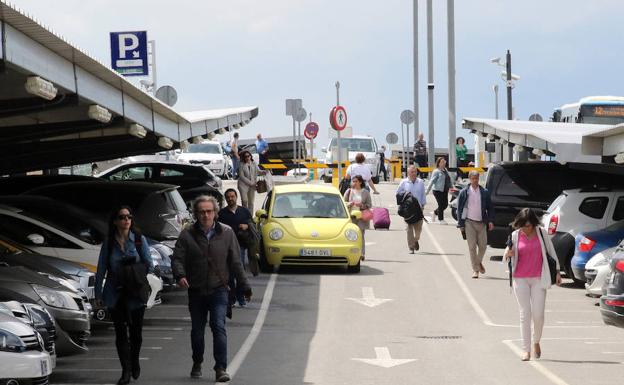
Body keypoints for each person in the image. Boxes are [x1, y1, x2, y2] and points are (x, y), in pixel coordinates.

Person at [172, 195, 252, 382]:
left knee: (218, 326)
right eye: (201, 212)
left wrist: (244, 285)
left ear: (215, 213)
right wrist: (180, 275)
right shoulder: (187, 234)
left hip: (219, 289)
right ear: (196, 214)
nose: (205, 215)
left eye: (209, 211)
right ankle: (197, 361)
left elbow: (235, 262)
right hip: (197, 290)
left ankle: (220, 368)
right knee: (197, 332)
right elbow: (177, 258)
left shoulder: (227, 233)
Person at [95, 206, 153, 385]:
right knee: (121, 334)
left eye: (129, 216)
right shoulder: (109, 242)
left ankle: (134, 361)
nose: (126, 220)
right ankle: (125, 370)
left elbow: (148, 264)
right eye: (122, 217)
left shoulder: (138, 240)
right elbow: (101, 269)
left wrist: (132, 270)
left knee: (136, 334)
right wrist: (98, 294)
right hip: (115, 292)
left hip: (135, 292)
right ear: (115, 221)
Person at [504, 208, 562, 361]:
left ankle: (536, 341)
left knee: (538, 315)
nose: (526, 229)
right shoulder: (515, 235)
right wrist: (508, 254)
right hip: (520, 278)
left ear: (534, 223)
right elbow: (507, 255)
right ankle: (526, 350)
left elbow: (551, 253)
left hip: (538, 278)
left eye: (529, 225)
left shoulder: (542, 233)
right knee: (525, 314)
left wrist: (557, 272)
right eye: (523, 225)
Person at [218, 188, 253, 307]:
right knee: (229, 275)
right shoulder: (221, 214)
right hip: (225, 248)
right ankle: (231, 299)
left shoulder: (244, 211)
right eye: (228, 197)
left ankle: (241, 298)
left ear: (236, 197)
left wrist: (247, 226)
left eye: (232, 196)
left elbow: (253, 225)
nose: (230, 199)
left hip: (240, 247)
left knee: (240, 273)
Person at [456, 170, 495, 278]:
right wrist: (461, 225)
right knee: (472, 247)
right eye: (473, 179)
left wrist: (491, 220)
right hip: (469, 222)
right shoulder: (464, 192)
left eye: (477, 178)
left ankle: (478, 262)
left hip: (482, 223)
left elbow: (490, 208)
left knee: (483, 246)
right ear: (469, 179)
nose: (475, 181)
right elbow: (459, 209)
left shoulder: (484, 192)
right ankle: (476, 270)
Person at [396, 165, 426, 253]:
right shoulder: (404, 182)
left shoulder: (420, 182)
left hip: (418, 209)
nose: (414, 174)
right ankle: (411, 247)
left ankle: (416, 240)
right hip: (408, 210)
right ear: (408, 173)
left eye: (415, 172)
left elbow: (423, 194)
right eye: (412, 172)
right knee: (409, 229)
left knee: (418, 230)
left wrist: (423, 205)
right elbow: (398, 193)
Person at [344, 175, 372, 261]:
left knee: (360, 235)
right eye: (353, 181)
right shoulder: (349, 191)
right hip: (351, 216)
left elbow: (369, 205)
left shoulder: (365, 192)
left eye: (356, 181)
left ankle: (362, 254)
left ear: (360, 182)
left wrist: (362, 205)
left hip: (362, 216)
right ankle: (351, 252)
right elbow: (343, 203)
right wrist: (350, 204)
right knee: (351, 235)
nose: (354, 183)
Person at [426, 157, 451, 224]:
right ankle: (441, 219)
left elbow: (448, 180)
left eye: (444, 161)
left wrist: (451, 187)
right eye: (442, 162)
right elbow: (432, 181)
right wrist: (427, 191)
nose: (444, 163)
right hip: (437, 190)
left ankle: (434, 212)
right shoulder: (436, 171)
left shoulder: (445, 170)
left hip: (445, 190)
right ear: (438, 163)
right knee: (441, 204)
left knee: (445, 205)